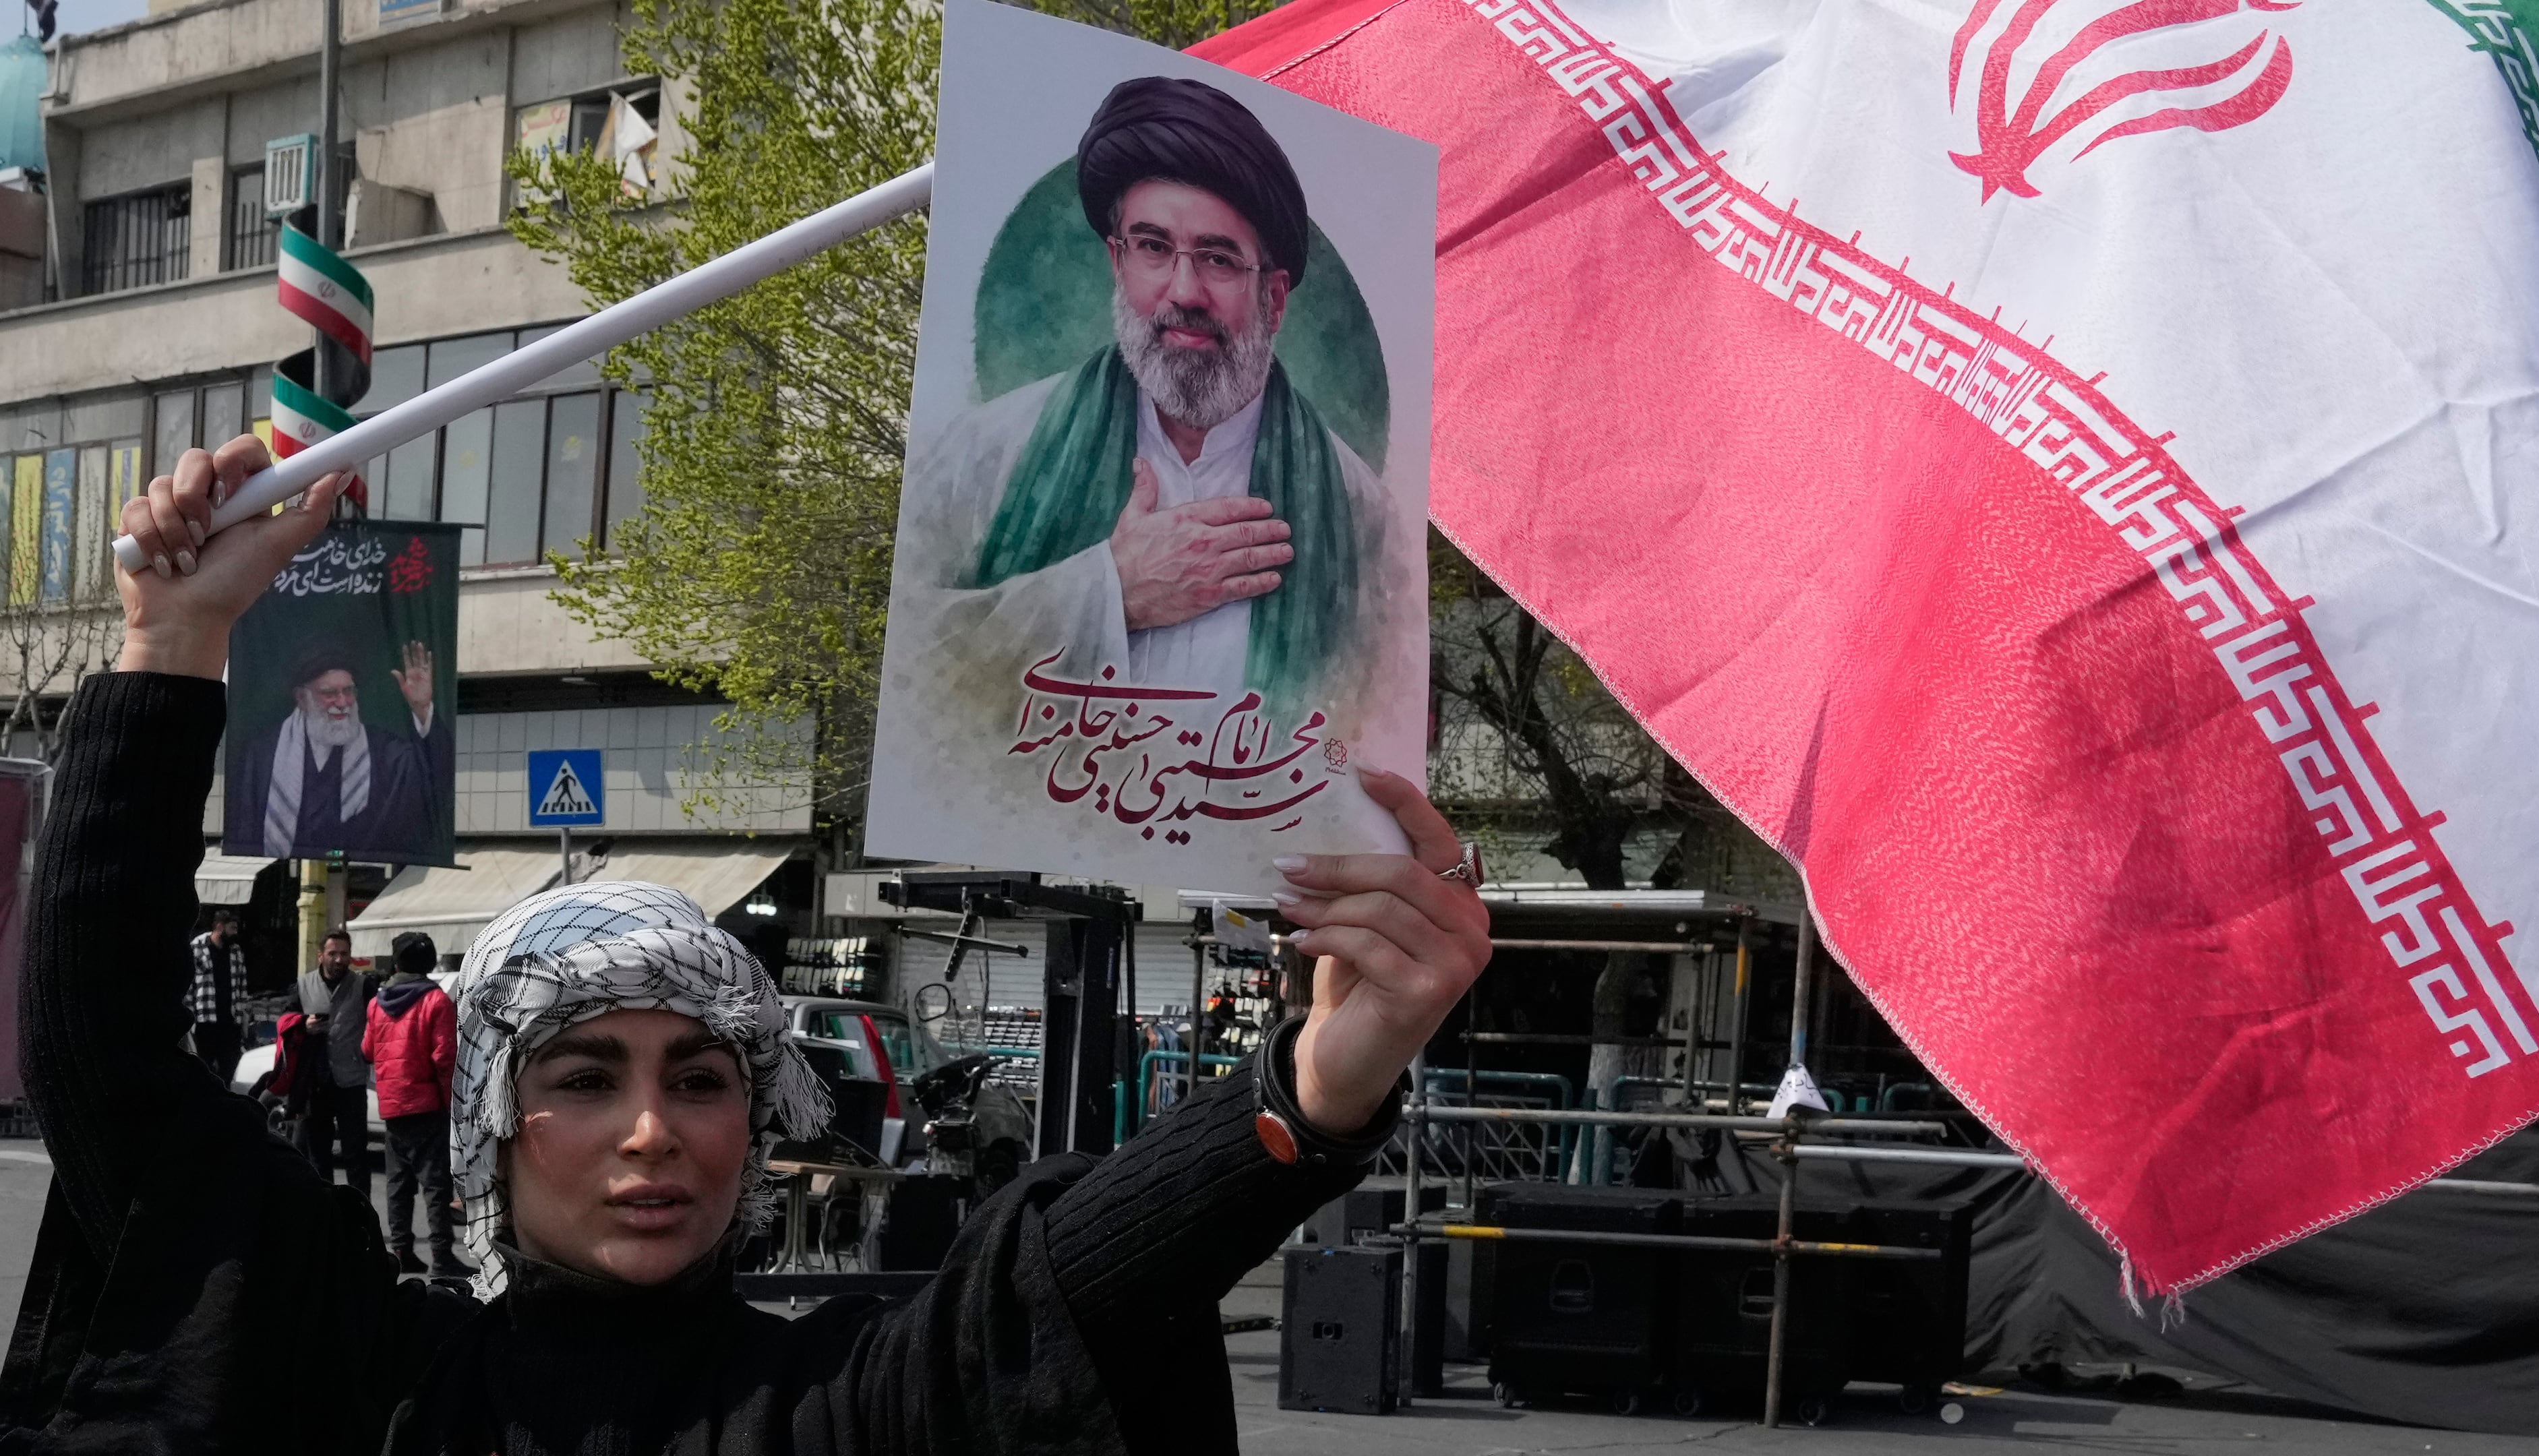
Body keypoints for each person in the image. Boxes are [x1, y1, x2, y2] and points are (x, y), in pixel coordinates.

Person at [0, 434, 1491, 1453]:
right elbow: (112, 1075)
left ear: (761, 1121)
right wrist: (165, 653)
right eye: (586, 1076)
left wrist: (1319, 1087)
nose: (655, 1131)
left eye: (701, 1079)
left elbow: (1068, 1279)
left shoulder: (835, 1401)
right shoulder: (373, 1383)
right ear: (494, 1124)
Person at [890, 75, 1409, 733]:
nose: (1184, 290)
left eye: (1219, 259)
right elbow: (911, 670)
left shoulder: (1363, 518)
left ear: (1275, 300)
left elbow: (1377, 732)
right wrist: (1105, 594)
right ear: (1117, 262)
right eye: (1154, 248)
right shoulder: (984, 456)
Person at [222, 636, 449, 859]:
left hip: (364, 879)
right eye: (329, 694)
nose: (342, 703)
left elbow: (432, 771)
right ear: (302, 698)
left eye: (349, 691)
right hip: (283, 878)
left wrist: (422, 708)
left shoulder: (387, 753)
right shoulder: (264, 757)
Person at [365, 929, 469, 1279]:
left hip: (393, 1107)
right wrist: (451, 1101)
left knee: (399, 1185)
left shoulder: (377, 1004)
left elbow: (367, 1050)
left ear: (397, 961)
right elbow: (444, 1057)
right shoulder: (436, 1001)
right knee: (436, 1185)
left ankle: (403, 1252)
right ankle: (442, 1257)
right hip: (426, 1104)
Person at [296, 926, 378, 1190]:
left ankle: (359, 1216)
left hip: (351, 1080)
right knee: (318, 1154)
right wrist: (303, 1024)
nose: (340, 960)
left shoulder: (363, 985)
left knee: (356, 1152)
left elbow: (378, 1022)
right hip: (316, 1081)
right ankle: (326, 1214)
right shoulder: (304, 984)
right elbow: (285, 1023)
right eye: (333, 954)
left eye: (344, 954)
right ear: (321, 955)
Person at [184, 907, 248, 1076]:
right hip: (206, 1021)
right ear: (220, 927)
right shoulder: (196, 948)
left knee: (229, 1068)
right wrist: (190, 1020)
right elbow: (189, 987)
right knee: (203, 1068)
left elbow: (242, 986)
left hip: (229, 1022)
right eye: (232, 928)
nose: (235, 932)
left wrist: (240, 1018)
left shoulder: (236, 951)